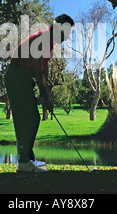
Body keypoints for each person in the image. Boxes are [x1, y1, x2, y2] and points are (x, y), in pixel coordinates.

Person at [5, 14, 74, 173]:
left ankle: (28, 158)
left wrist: (45, 95)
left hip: (21, 78)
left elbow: (42, 71)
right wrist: (47, 98)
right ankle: (24, 162)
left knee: (29, 118)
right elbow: (38, 73)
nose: (67, 36)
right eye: (66, 31)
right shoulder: (44, 40)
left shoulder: (47, 41)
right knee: (29, 118)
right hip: (17, 78)